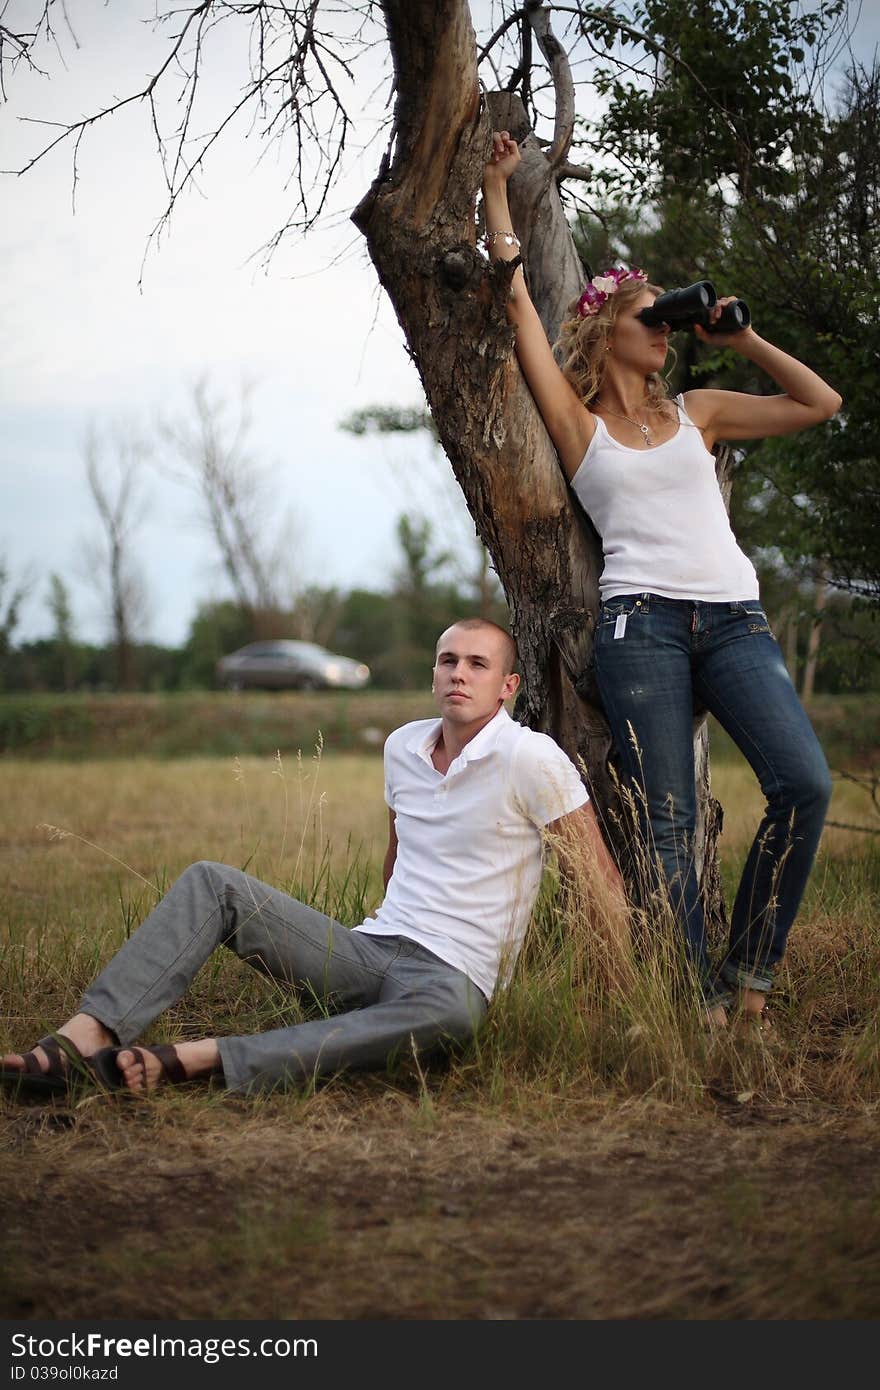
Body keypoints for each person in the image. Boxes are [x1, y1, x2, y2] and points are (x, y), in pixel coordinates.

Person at [482, 131, 842, 1029]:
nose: (667, 335)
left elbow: (819, 403)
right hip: (638, 626)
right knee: (670, 825)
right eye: (654, 318)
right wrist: (496, 191)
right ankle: (693, 1007)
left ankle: (747, 976)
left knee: (804, 783)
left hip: (734, 621)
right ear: (610, 331)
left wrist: (743, 335)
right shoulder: (577, 423)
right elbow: (519, 300)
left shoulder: (698, 414)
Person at [1, 617, 628, 1098]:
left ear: (507, 685)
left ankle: (201, 1058)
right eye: (448, 661)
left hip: (450, 978)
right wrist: (368, 941)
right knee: (212, 883)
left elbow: (600, 886)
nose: (459, 673)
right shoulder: (403, 747)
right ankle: (81, 1040)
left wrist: (613, 1011)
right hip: (373, 949)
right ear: (434, 674)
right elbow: (396, 858)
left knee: (453, 1017)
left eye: (477, 664)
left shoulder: (531, 758)